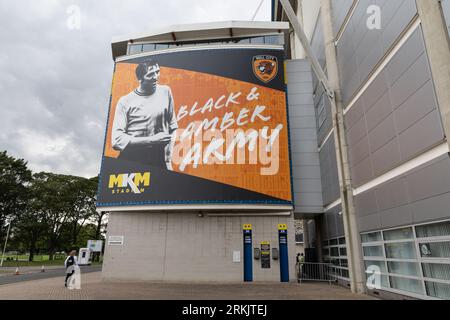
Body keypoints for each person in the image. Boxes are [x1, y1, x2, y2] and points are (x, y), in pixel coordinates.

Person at [111, 58, 178, 169]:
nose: (156, 77)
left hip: (158, 158)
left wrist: (167, 158)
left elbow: (173, 126)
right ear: (140, 79)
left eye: (157, 72)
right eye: (150, 74)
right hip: (133, 158)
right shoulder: (125, 101)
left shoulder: (166, 91)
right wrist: (152, 140)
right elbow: (117, 141)